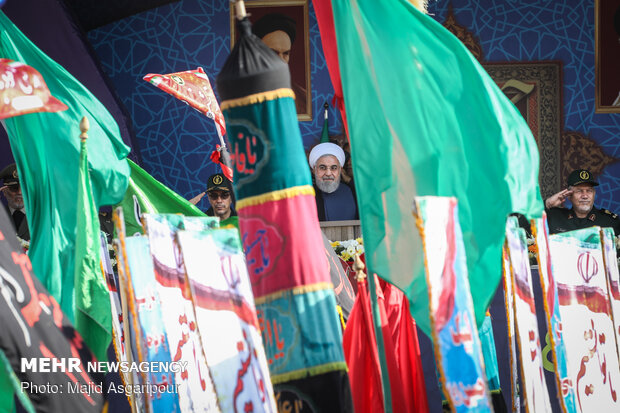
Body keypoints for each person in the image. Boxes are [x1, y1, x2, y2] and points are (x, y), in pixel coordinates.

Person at [252, 13, 307, 114]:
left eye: (285, 53)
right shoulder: (241, 97)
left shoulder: (303, 98)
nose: (281, 60)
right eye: (273, 52)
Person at [545, 168, 620, 235]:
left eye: (589, 191)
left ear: (594, 194)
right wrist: (548, 203)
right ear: (569, 195)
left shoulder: (610, 222)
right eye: (579, 191)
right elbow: (533, 222)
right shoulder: (554, 217)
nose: (585, 196)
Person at [309, 142, 358, 222]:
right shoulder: (306, 196)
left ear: (340, 170)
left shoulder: (351, 192)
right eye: (322, 167)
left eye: (334, 168)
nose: (328, 173)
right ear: (314, 170)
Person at [0, 163, 30, 241]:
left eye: (24, 188)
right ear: (4, 192)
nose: (20, 192)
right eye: (14, 188)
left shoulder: (40, 217)